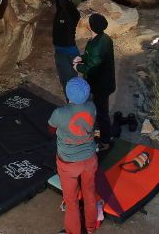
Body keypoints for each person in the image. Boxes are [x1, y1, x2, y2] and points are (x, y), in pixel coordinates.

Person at [48, 77, 99, 234]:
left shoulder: (59, 113)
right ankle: (90, 229)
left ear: (67, 94)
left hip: (68, 163)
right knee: (89, 195)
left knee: (71, 201)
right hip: (90, 159)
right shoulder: (91, 107)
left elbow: (51, 130)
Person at [74, 14, 115, 150]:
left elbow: (91, 67)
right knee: (99, 109)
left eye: (89, 22)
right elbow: (90, 56)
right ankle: (101, 131)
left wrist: (77, 67)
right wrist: (81, 58)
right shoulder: (103, 38)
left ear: (90, 26)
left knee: (102, 113)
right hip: (103, 82)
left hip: (100, 85)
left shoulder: (97, 45)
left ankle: (104, 141)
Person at [52, 0, 82, 96]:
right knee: (65, 79)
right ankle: (71, 100)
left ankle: (75, 101)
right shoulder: (62, 9)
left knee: (70, 80)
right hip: (60, 50)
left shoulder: (74, 13)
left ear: (71, 1)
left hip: (69, 51)